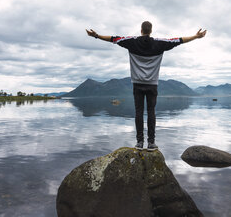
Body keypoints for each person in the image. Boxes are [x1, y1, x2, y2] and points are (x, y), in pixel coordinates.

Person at [86, 21, 207, 150]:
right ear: (151, 31)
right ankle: (151, 143)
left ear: (141, 30)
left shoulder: (131, 42)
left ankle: (139, 142)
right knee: (151, 112)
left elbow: (113, 39)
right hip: (152, 84)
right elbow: (178, 40)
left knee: (139, 112)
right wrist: (195, 36)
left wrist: (96, 35)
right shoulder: (160, 44)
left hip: (137, 84)